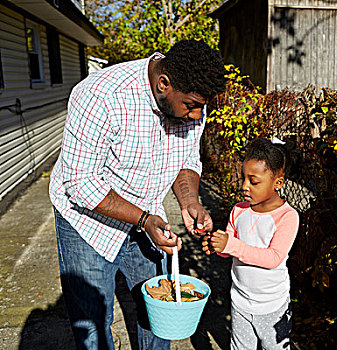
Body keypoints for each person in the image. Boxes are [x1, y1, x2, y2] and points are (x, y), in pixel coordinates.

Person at [49, 39, 227, 349]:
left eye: (201, 106)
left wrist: (190, 201)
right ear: (163, 84)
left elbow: (186, 160)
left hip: (147, 215)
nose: (198, 116)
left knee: (159, 317)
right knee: (92, 324)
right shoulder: (101, 96)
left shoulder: (190, 96)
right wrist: (144, 220)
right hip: (86, 225)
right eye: (191, 106)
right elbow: (80, 184)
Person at [201, 137, 300, 350]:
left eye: (254, 181)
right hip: (240, 302)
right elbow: (230, 250)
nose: (245, 186)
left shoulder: (287, 217)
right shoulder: (239, 210)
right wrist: (217, 246)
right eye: (243, 178)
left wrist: (231, 245)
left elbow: (274, 258)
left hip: (273, 307)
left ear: (278, 183)